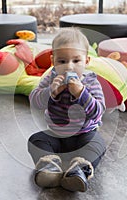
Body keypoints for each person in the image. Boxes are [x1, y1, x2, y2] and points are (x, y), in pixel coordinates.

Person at [27, 27, 106, 192]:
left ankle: (79, 170)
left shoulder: (91, 82)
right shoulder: (50, 79)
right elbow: (34, 101)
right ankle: (50, 167)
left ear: (87, 61)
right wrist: (51, 92)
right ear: (52, 61)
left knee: (98, 144)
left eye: (76, 61)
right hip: (56, 135)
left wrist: (81, 93)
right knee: (35, 140)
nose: (69, 67)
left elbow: (98, 111)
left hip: (84, 135)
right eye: (62, 61)